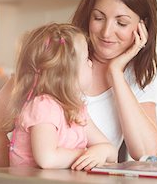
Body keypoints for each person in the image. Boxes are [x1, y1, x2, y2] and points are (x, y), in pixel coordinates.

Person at [0, 0, 157, 168]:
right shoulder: (54, 61)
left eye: (122, 23)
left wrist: (116, 73)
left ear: (142, 26)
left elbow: (145, 153)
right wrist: (19, 178)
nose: (107, 32)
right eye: (98, 18)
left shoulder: (136, 77)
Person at [7, 23, 117, 170]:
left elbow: (111, 152)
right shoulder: (44, 106)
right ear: (66, 75)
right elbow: (47, 159)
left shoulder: (77, 109)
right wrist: (85, 153)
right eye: (86, 59)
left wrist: (101, 152)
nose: (91, 63)